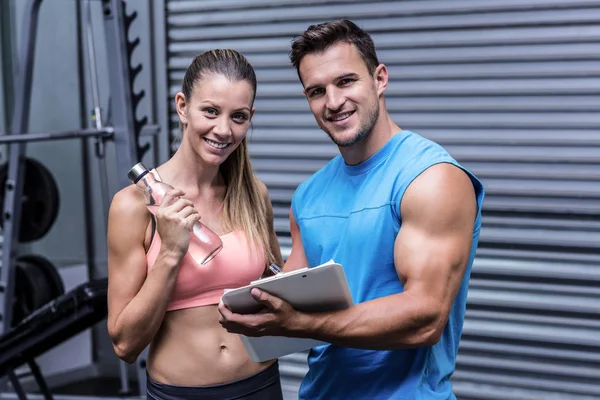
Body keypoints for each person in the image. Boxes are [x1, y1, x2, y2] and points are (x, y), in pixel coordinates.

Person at [218, 20, 485, 399]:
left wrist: (302, 323)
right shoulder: (308, 195)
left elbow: (426, 318)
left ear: (379, 78)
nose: (333, 102)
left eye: (346, 81)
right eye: (316, 91)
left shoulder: (430, 178)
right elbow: (290, 298)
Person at [106, 49, 285, 399]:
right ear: (182, 106)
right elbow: (125, 344)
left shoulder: (253, 195)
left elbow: (276, 287)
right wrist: (171, 251)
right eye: (210, 111)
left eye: (239, 116)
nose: (224, 129)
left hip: (262, 384)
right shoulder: (133, 206)